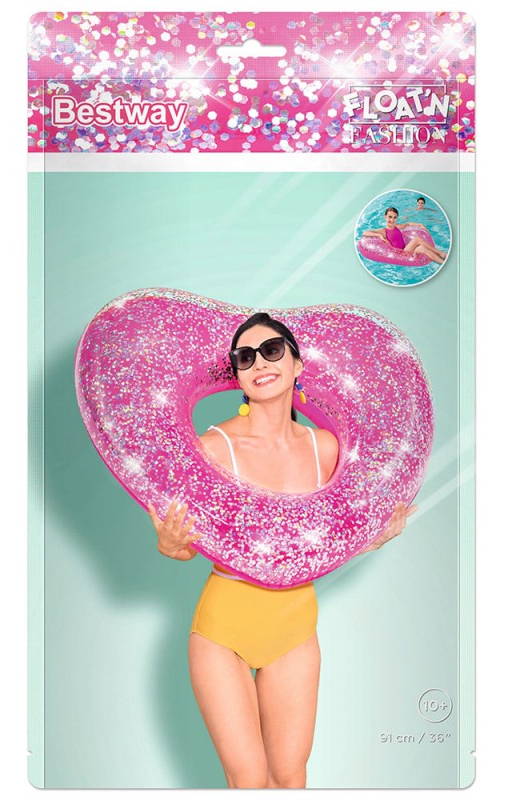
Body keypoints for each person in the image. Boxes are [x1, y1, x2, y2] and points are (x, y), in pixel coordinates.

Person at [148, 313, 416, 789]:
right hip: (224, 628)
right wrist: (171, 546)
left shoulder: (326, 449)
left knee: (289, 779)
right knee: (249, 779)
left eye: (272, 350)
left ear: (297, 365)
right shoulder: (213, 448)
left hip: (294, 627)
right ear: (237, 376)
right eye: (245, 357)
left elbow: (323, 539)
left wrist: (370, 539)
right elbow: (190, 545)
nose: (259, 363)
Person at [363, 206, 447, 264]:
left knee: (422, 248)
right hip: (401, 254)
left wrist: (419, 224)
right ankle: (440, 253)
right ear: (385, 217)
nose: (392, 220)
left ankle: (442, 262)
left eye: (394, 217)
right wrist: (379, 236)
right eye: (390, 217)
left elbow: (408, 224)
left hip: (406, 249)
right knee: (417, 239)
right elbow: (365, 232)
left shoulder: (397, 227)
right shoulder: (384, 231)